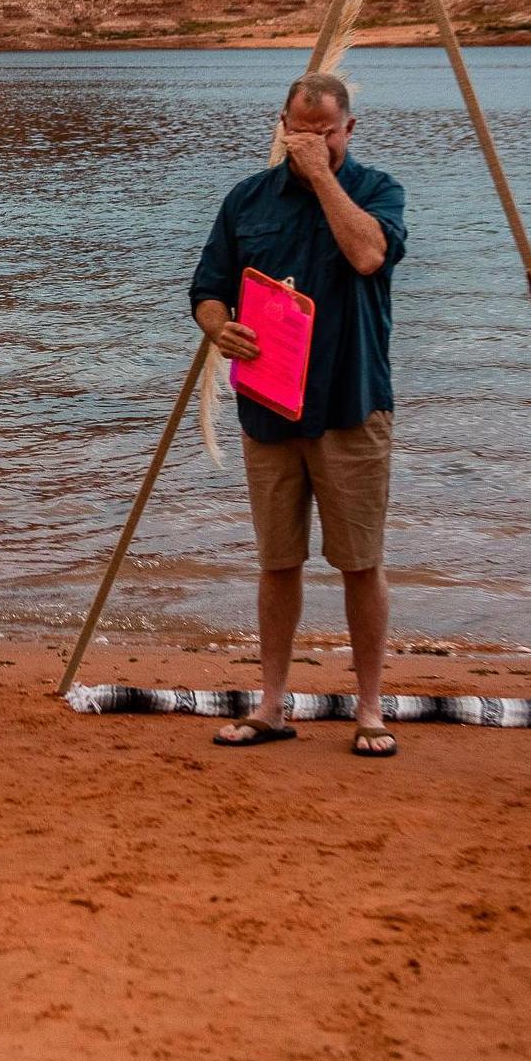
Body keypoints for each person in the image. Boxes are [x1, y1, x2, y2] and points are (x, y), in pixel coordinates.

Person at [191, 71, 408, 758]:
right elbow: (207, 288)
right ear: (281, 125)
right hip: (270, 409)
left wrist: (322, 179)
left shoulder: (377, 192)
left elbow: (369, 254)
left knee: (359, 562)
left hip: (351, 404)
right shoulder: (247, 198)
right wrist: (218, 328)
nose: (311, 143)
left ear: (350, 129)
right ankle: (272, 703)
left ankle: (370, 708)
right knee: (277, 562)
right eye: (300, 131)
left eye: (325, 132)